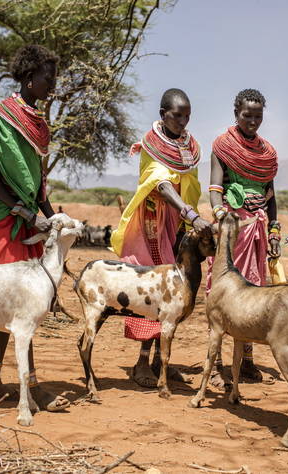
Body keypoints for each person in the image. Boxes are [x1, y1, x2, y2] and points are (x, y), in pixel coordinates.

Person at [0, 44, 69, 411]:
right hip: (1, 219)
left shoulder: (36, 124)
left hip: (26, 219)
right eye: (48, 78)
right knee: (12, 304)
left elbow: (38, 183)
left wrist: (52, 218)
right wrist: (28, 216)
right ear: (30, 79)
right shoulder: (3, 118)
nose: (52, 85)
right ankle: (26, 385)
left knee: (19, 306)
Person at [110, 88, 212, 387]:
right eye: (176, 115)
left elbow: (188, 184)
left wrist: (186, 217)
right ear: (162, 114)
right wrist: (191, 215)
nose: (182, 121)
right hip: (153, 225)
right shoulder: (152, 145)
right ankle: (141, 362)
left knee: (174, 294)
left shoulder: (188, 147)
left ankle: (160, 361)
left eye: (187, 116)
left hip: (176, 226)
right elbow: (162, 184)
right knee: (153, 292)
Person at [207, 89, 279, 388]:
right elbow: (214, 187)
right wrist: (221, 214)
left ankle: (247, 361)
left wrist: (275, 230)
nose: (252, 121)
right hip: (232, 231)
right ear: (235, 113)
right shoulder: (223, 146)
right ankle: (216, 364)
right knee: (223, 294)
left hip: (258, 234)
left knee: (253, 293)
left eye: (258, 116)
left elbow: (271, 196)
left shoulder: (267, 154)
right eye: (247, 115)